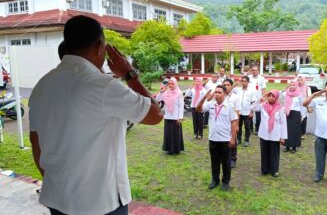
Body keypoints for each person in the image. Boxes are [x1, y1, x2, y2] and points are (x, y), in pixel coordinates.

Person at [29, 15, 163, 215]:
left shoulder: (43, 84)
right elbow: (156, 115)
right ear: (100, 45)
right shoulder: (103, 86)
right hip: (100, 203)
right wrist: (129, 73)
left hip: (57, 198)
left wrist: (56, 182)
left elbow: (35, 140)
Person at [196, 85, 238, 191]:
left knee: (226, 163)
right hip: (213, 139)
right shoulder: (210, 104)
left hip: (225, 140)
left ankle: (225, 182)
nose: (217, 94)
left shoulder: (229, 106)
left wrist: (233, 138)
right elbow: (198, 109)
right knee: (214, 161)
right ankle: (215, 180)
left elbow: (234, 122)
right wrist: (204, 98)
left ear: (224, 94)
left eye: (219, 92)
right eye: (216, 92)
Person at [250, 90, 287, 177]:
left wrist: (283, 137)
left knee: (274, 153)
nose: (271, 97)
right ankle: (265, 169)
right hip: (264, 133)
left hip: (275, 134)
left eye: (273, 96)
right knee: (264, 152)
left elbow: (283, 123)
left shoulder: (281, 108)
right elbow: (252, 108)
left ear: (277, 97)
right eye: (269, 95)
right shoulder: (262, 106)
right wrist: (262, 98)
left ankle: (274, 170)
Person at [156, 77, 184, 155]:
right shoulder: (166, 93)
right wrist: (161, 92)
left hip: (176, 117)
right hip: (168, 117)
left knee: (175, 134)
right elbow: (157, 100)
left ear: (175, 84)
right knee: (168, 134)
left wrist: (180, 117)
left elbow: (181, 106)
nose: (171, 85)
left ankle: (175, 150)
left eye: (172, 84)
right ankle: (168, 149)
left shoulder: (179, 93)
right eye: (169, 84)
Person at [223, 79, 241, 168]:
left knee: (232, 140)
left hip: (232, 121)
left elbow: (237, 111)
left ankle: (233, 158)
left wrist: (237, 125)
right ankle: (225, 158)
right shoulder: (221, 96)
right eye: (224, 85)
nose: (226, 86)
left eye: (228, 85)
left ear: (231, 86)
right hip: (223, 121)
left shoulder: (235, 97)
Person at [282, 81, 303, 153]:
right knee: (287, 130)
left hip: (296, 113)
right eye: (290, 85)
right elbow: (280, 94)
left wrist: (302, 115)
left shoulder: (299, 95)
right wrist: (285, 88)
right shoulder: (285, 94)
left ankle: (294, 147)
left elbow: (302, 105)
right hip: (287, 113)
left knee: (295, 131)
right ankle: (287, 146)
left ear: (296, 86)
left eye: (293, 85)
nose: (291, 86)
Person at [236, 76, 256, 147]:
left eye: (245, 81)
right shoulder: (238, 90)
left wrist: (251, 112)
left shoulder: (251, 91)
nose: (244, 82)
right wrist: (235, 84)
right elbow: (229, 90)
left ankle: (246, 140)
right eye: (242, 81)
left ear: (248, 82)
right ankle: (238, 139)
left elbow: (253, 102)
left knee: (247, 127)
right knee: (239, 126)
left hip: (247, 112)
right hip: (239, 112)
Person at [248, 66, 267, 134]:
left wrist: (263, 98)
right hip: (250, 99)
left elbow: (263, 89)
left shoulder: (261, 78)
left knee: (258, 115)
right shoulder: (249, 77)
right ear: (251, 71)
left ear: (258, 71)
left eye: (256, 70)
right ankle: (250, 128)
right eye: (253, 70)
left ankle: (257, 128)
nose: (254, 71)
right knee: (249, 114)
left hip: (258, 99)